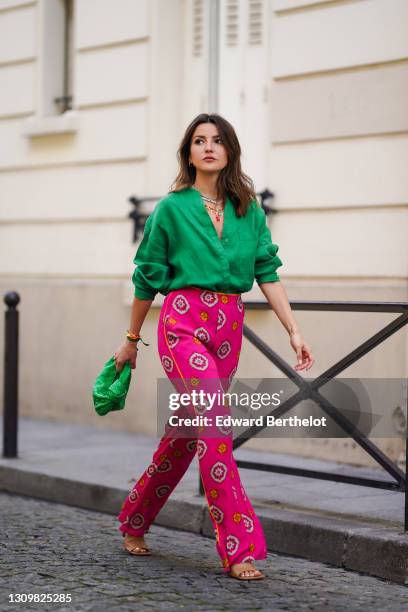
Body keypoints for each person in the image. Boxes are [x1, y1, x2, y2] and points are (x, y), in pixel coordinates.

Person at [113, 113, 314, 581]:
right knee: (217, 426)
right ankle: (239, 547)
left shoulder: (249, 208)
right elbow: (146, 276)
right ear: (188, 152)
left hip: (228, 327)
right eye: (199, 141)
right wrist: (130, 340)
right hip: (182, 324)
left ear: (230, 150)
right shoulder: (171, 208)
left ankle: (134, 519)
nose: (208, 147)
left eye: (217, 140)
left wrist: (293, 329)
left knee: (185, 435)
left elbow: (266, 270)